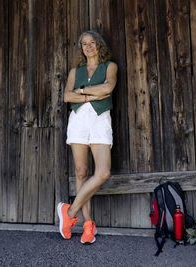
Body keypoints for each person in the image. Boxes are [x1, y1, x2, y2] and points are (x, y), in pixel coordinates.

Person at [57, 30, 118, 244]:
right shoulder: (76, 71)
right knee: (81, 172)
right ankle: (88, 225)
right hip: (79, 119)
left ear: (99, 44)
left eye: (92, 42)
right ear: (81, 48)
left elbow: (108, 88)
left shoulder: (109, 66)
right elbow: (66, 96)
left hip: (100, 120)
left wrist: (79, 93)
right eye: (84, 43)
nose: (89, 46)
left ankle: (69, 211)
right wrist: (91, 92)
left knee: (103, 172)